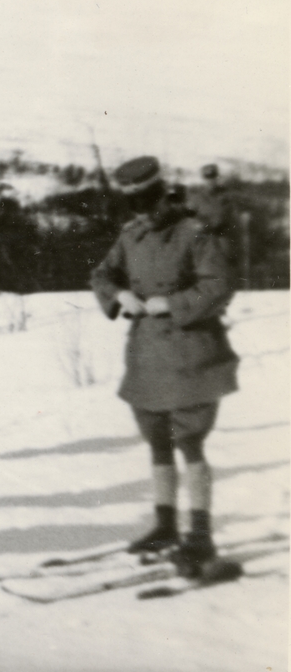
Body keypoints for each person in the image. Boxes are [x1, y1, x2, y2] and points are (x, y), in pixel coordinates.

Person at [91, 156, 238, 568]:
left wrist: (169, 303)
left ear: (165, 192)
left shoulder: (194, 233)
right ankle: (165, 524)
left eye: (151, 199)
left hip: (192, 352)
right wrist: (118, 296)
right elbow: (103, 274)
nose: (146, 210)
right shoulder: (132, 236)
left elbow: (219, 287)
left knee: (189, 441)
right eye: (136, 204)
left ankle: (201, 535)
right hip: (147, 355)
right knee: (157, 440)